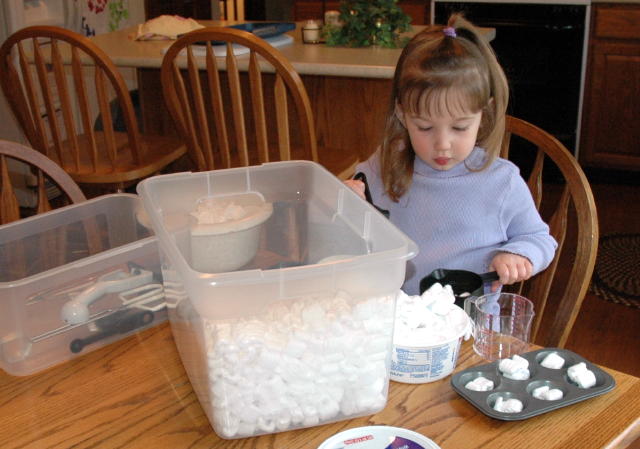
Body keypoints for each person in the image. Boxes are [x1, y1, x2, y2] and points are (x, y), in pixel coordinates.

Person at [345, 14, 557, 296]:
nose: (442, 144)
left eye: (459, 127)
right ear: (401, 114)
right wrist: (347, 197)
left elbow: (539, 238)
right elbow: (349, 199)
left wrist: (519, 255)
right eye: (425, 127)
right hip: (399, 314)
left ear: (483, 115)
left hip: (472, 326)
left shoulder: (501, 181)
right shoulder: (387, 162)